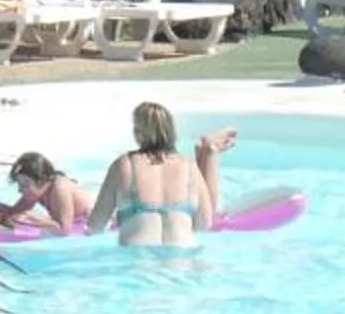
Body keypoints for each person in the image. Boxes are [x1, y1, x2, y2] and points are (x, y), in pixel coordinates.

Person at [93, 101, 237, 249]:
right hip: (182, 262)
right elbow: (204, 223)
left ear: (137, 132)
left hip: (139, 262)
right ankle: (209, 152)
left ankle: (209, 151)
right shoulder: (189, 167)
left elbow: (95, 226)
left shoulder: (124, 165)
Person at [0, 152, 91, 235]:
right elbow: (13, 212)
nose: (20, 190)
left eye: (25, 185)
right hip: (74, 221)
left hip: (93, 220)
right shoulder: (37, 190)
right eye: (19, 184)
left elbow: (64, 231)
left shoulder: (60, 189)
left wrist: (35, 219)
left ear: (41, 180)